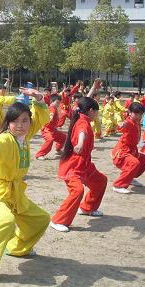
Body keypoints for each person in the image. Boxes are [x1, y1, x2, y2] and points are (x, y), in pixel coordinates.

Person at [0, 88, 50, 284]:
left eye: (24, 121)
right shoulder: (6, 138)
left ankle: (16, 248)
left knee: (41, 219)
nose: (20, 126)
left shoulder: (25, 136)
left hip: (15, 193)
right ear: (8, 123)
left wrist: (38, 99)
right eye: (15, 121)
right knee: (6, 221)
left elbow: (42, 117)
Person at [50, 96, 108, 233]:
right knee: (77, 190)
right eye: (96, 111)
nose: (97, 114)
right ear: (91, 110)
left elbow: (82, 102)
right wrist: (80, 143)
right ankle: (57, 220)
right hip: (74, 166)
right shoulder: (83, 123)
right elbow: (82, 133)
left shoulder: (82, 116)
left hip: (85, 164)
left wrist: (93, 89)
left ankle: (88, 208)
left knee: (100, 181)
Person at [111, 102, 145, 194]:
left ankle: (130, 178)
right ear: (130, 112)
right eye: (136, 113)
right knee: (134, 163)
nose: (138, 116)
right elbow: (123, 125)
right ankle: (118, 185)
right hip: (122, 151)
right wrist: (122, 125)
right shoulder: (129, 122)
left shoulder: (137, 122)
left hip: (132, 150)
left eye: (140, 113)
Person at [35, 94, 66, 160]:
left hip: (52, 129)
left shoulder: (54, 108)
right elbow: (51, 115)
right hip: (46, 129)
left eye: (59, 103)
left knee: (63, 137)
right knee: (50, 140)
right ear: (52, 101)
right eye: (57, 102)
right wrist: (50, 118)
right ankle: (39, 155)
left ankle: (58, 149)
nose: (58, 104)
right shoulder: (52, 108)